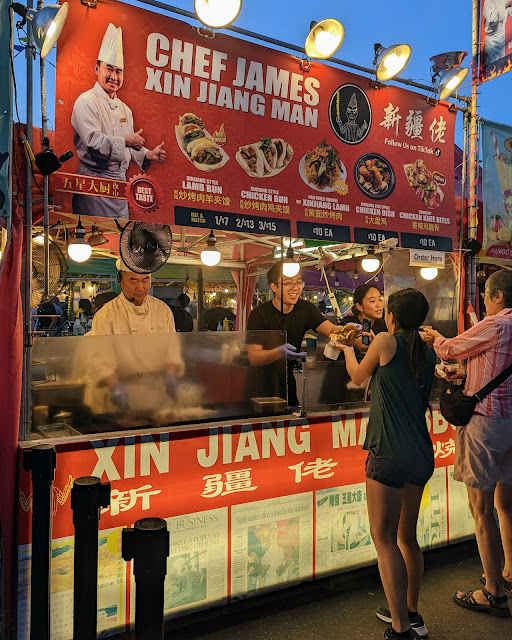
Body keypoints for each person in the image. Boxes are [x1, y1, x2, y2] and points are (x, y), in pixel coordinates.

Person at [339, 288, 436, 640]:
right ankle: (411, 614)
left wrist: (346, 347)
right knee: (407, 538)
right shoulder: (427, 348)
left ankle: (401, 629)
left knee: (384, 539)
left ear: (391, 317)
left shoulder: (385, 340)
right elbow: (389, 362)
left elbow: (357, 376)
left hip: (389, 453)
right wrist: (363, 345)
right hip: (421, 452)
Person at [421, 269, 512, 618]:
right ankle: (508, 571)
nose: (484, 301)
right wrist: (467, 374)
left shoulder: (498, 323)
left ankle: (494, 592)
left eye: (486, 295)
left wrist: (435, 337)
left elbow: (451, 347)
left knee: (481, 509)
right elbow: (496, 367)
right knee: (506, 504)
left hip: (487, 424)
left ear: (499, 296)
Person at [71, 23, 166, 219]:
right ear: (96, 69)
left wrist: (148, 154)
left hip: (119, 189)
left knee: (120, 235)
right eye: (109, 69)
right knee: (91, 233)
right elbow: (93, 143)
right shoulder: (85, 101)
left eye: (119, 71)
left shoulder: (125, 110)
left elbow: (128, 148)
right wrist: (126, 141)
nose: (114, 77)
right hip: (93, 185)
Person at [86, 259, 183, 414]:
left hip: (153, 393)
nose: (140, 287)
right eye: (133, 281)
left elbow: (171, 350)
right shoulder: (106, 315)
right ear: (120, 281)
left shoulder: (162, 310)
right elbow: (101, 360)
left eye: (145, 280)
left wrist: (170, 375)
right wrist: (115, 386)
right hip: (115, 396)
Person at [246, 263, 345, 406]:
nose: (295, 287)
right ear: (273, 287)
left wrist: (349, 330)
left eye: (298, 282)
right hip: (259, 386)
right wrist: (279, 352)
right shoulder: (259, 315)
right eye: (288, 283)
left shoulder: (306, 309)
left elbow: (332, 330)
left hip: (287, 382)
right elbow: (254, 357)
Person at [340, 283, 386, 360]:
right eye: (372, 301)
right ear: (359, 306)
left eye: (380, 299)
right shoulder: (348, 323)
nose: (378, 305)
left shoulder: (383, 325)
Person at [482, 0, 512, 67]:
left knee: (502, 66)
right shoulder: (489, 1)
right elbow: (491, 20)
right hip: (492, 41)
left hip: (502, 38)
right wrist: (505, 5)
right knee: (492, 67)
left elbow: (509, 12)